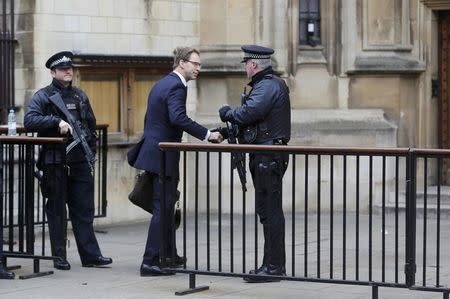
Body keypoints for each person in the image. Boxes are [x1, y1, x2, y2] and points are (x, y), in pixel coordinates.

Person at [129, 46, 223, 276]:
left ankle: (169, 255)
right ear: (182, 63)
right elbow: (178, 117)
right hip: (163, 156)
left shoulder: (162, 83)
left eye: (199, 64)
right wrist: (207, 134)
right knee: (163, 209)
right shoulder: (177, 86)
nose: (198, 68)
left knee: (167, 207)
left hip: (155, 154)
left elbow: (152, 118)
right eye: (195, 64)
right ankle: (150, 262)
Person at [24, 51, 112, 270]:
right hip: (54, 161)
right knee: (56, 211)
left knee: (84, 210)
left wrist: (90, 150)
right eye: (63, 69)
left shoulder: (80, 96)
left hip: (79, 162)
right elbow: (30, 120)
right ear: (53, 72)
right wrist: (56, 121)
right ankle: (59, 256)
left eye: (70, 68)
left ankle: (91, 256)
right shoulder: (43, 96)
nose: (68, 71)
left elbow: (90, 125)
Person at [219, 45, 291, 283]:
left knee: (269, 211)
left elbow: (248, 113)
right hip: (264, 155)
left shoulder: (268, 85)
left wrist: (228, 112)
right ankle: (271, 265)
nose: (245, 69)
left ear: (253, 65)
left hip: (268, 157)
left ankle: (273, 267)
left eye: (246, 65)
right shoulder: (267, 85)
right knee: (267, 211)